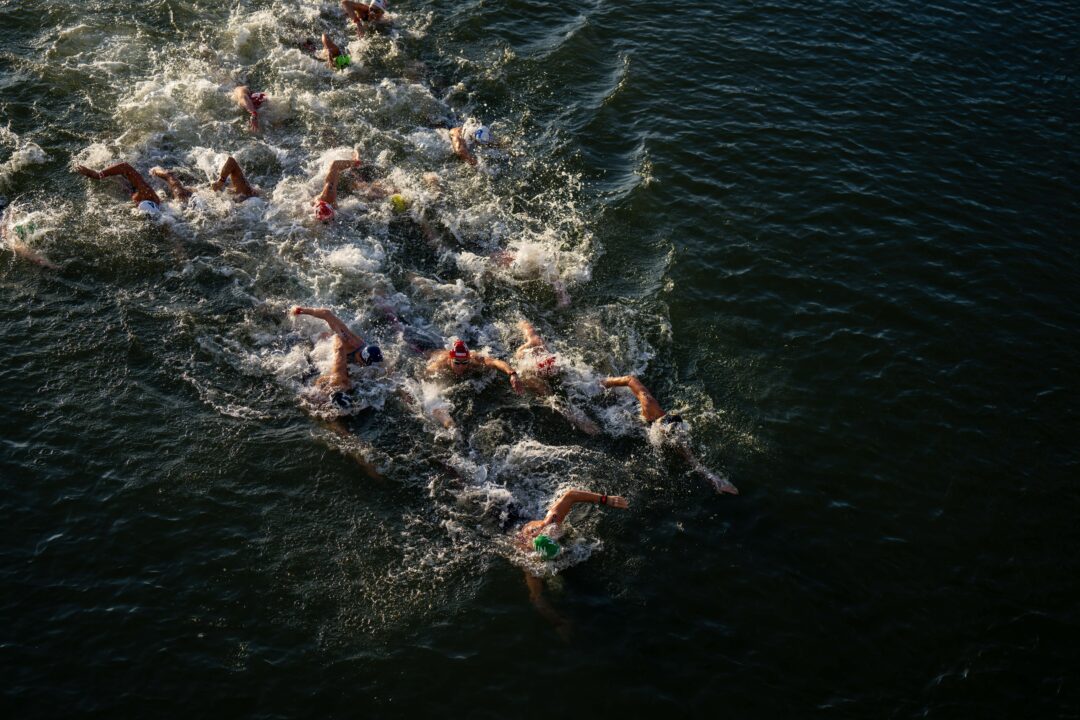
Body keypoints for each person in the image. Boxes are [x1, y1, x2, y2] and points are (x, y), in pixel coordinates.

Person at [601, 375, 739, 495]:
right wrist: (607, 382)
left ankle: (718, 483)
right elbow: (630, 379)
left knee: (687, 454)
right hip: (619, 405)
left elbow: (694, 462)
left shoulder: (676, 436)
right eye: (666, 432)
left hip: (639, 423)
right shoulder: (650, 405)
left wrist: (716, 482)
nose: (671, 436)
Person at [291, 306, 384, 412]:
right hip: (322, 343)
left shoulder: (367, 355)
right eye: (364, 364)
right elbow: (327, 314)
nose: (364, 367)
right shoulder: (348, 340)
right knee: (332, 379)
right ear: (362, 358)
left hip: (343, 356)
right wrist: (301, 310)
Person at [518, 489, 629, 559]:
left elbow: (570, 495)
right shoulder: (526, 551)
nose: (554, 530)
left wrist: (605, 499)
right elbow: (531, 574)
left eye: (552, 532)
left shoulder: (550, 523)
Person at [426, 338, 524, 393]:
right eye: (457, 363)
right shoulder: (440, 364)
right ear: (450, 359)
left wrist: (513, 374)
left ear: (468, 359)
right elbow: (423, 375)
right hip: (427, 350)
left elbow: (495, 362)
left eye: (464, 362)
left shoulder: (474, 360)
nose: (460, 366)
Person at [148, 156, 260, 202]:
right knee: (178, 190)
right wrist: (221, 181)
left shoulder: (246, 197)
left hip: (204, 201)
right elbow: (231, 161)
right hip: (203, 197)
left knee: (181, 197)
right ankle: (164, 174)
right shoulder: (244, 191)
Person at [75, 162, 161, 212]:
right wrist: (97, 175)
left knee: (126, 188)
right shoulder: (145, 191)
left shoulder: (161, 215)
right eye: (137, 203)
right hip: (130, 179)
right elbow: (125, 166)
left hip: (133, 190)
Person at [313, 151, 361, 221]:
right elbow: (335, 165)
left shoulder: (328, 194)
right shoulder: (329, 196)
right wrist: (356, 162)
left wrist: (354, 163)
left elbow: (335, 165)